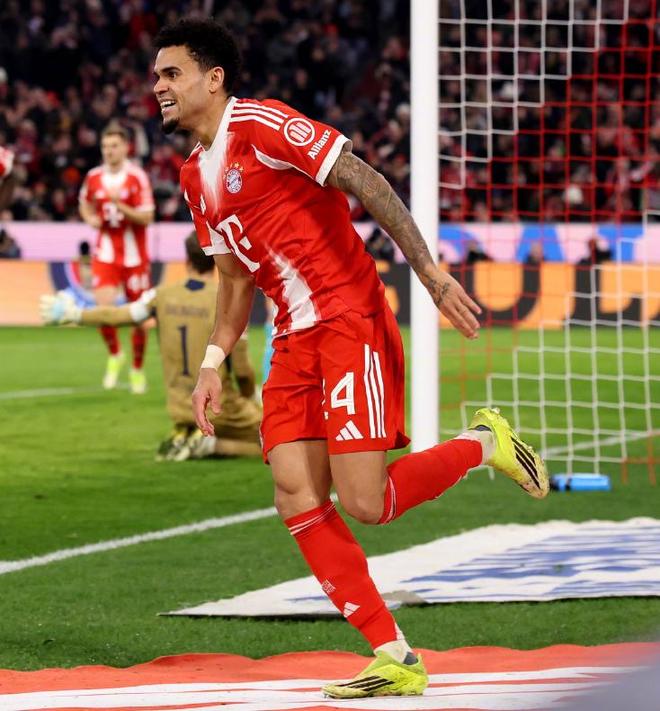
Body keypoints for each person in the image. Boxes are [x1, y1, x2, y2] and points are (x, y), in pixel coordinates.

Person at [152, 19, 549, 699]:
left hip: (347, 319)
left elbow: (367, 180)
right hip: (292, 339)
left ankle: (485, 443)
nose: (158, 87)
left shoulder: (263, 125)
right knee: (294, 492)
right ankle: (394, 654)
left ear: (213, 79)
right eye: (157, 76)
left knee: (366, 501)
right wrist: (214, 361)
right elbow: (235, 281)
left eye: (171, 74)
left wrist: (429, 273)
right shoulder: (194, 175)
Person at [40, 233, 262, 461]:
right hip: (220, 409)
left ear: (187, 260)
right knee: (273, 438)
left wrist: (74, 314)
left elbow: (118, 315)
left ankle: (189, 433)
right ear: (216, 258)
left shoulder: (161, 295)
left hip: (179, 407)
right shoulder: (227, 301)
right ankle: (209, 445)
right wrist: (253, 400)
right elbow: (243, 372)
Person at [79, 122, 156, 394]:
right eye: (105, 146)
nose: (108, 151)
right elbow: (84, 202)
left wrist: (119, 204)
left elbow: (147, 216)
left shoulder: (137, 177)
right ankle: (115, 354)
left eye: (114, 146)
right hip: (106, 254)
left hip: (135, 257)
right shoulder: (93, 177)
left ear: (125, 148)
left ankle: (136, 369)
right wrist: (90, 218)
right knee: (103, 311)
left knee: (140, 318)